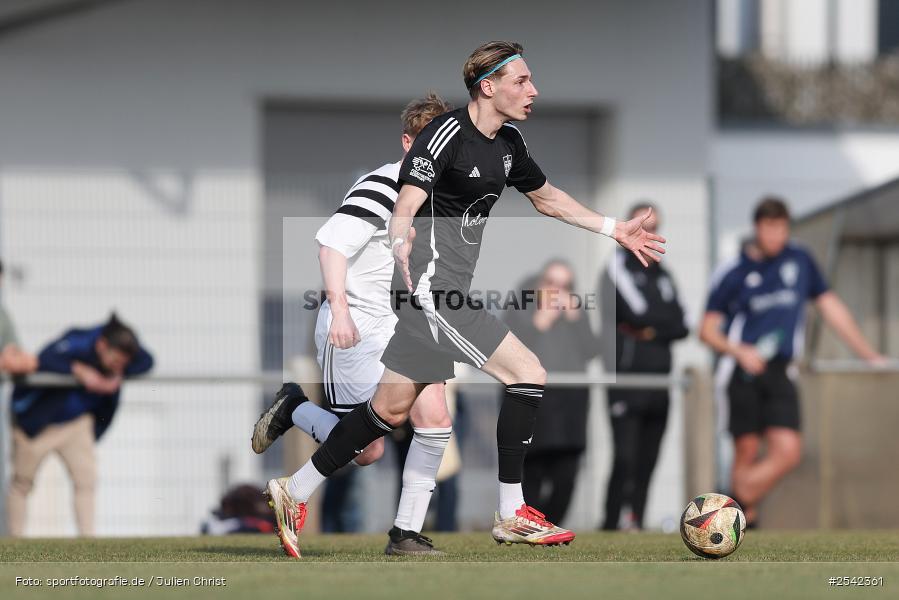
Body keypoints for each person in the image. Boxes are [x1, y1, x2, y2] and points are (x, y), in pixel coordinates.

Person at [266, 40, 666, 554]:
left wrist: (614, 229)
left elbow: (547, 199)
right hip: (433, 294)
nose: (533, 90)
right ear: (488, 85)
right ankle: (511, 510)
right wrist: (399, 238)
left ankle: (294, 490)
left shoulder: (509, 144)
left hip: (433, 297)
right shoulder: (444, 133)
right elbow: (405, 200)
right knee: (528, 371)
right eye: (522, 80)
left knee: (385, 414)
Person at [252, 93, 454, 556]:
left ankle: (405, 535)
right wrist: (340, 311)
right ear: (408, 144)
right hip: (357, 324)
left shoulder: (435, 197)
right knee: (369, 450)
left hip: (402, 326)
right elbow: (331, 247)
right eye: (427, 144)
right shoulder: (382, 187)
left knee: (435, 417)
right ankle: (293, 409)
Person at [699, 197, 885, 525]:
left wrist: (868, 354)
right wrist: (740, 350)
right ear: (757, 228)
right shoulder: (734, 271)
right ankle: (742, 528)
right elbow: (706, 330)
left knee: (788, 452)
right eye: (770, 229)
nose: (776, 237)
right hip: (741, 373)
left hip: (781, 370)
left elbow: (830, 306)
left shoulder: (799, 260)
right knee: (745, 452)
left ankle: (727, 507)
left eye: (782, 229)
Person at [7, 313, 153, 537]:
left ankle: (88, 540)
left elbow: (147, 361)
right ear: (102, 345)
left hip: (76, 423)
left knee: (86, 481)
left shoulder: (122, 352)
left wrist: (116, 376)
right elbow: (45, 358)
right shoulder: (78, 340)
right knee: (22, 483)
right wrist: (79, 371)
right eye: (116, 361)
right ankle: (15, 541)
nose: (117, 366)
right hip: (37, 425)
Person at [598, 203, 688, 530]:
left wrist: (654, 329)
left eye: (655, 229)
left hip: (659, 381)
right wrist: (655, 325)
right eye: (644, 228)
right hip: (627, 378)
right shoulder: (617, 266)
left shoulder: (663, 274)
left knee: (648, 459)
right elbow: (638, 313)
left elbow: (682, 324)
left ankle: (635, 520)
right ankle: (610, 523)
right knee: (625, 457)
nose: (649, 236)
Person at [506, 260, 597, 525]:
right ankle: (532, 524)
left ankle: (552, 524)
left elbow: (593, 349)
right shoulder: (521, 306)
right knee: (532, 470)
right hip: (535, 402)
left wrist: (576, 320)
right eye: (551, 283)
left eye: (565, 286)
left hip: (571, 404)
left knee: (567, 474)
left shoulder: (577, 312)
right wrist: (538, 324)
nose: (558, 292)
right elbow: (507, 349)